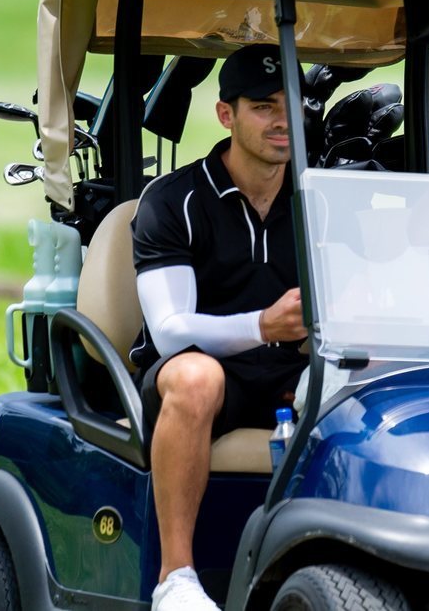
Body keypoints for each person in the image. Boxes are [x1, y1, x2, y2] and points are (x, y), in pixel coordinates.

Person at [129, 44, 309, 611]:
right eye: (263, 106)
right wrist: (265, 325)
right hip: (206, 380)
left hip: (291, 371)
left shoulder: (320, 199)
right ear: (226, 115)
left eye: (292, 103)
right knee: (195, 378)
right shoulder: (174, 199)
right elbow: (170, 332)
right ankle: (175, 578)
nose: (283, 120)